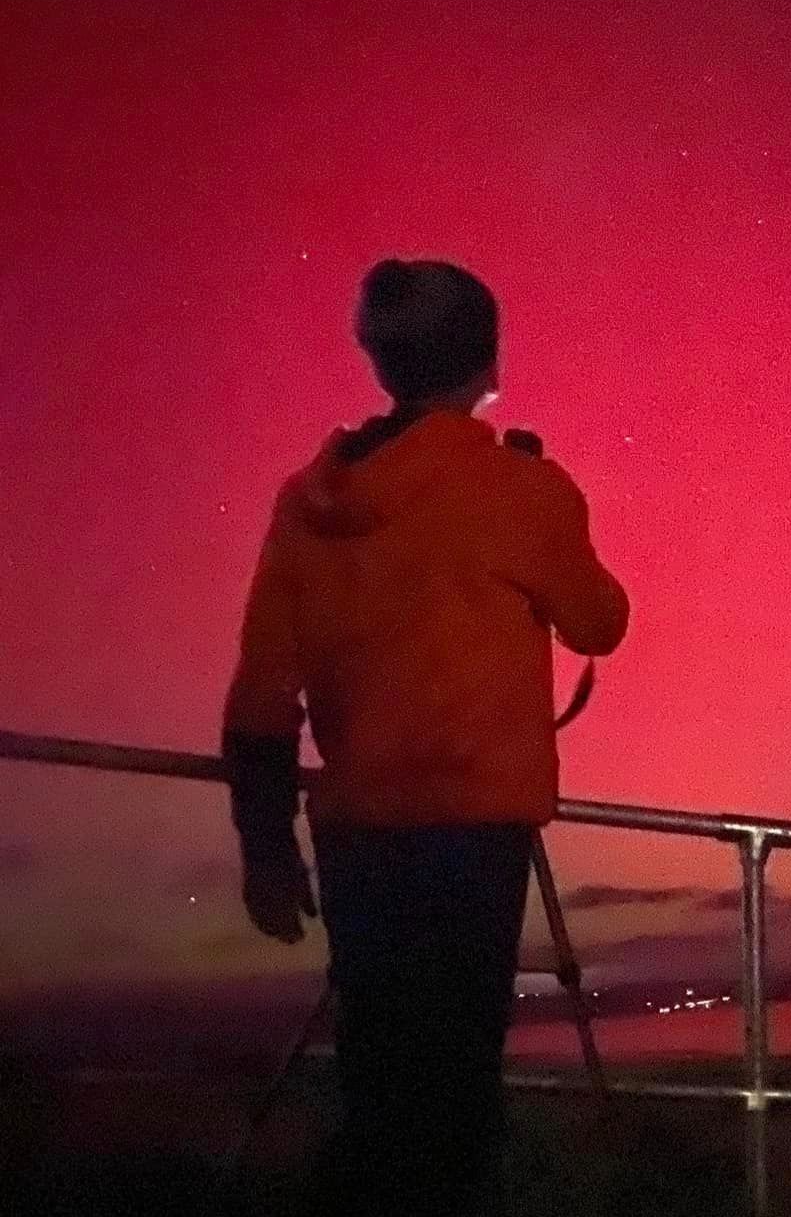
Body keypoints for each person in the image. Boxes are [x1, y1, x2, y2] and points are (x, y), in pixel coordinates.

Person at [221, 257, 629, 1215]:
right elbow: (601, 622)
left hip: (357, 837)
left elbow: (260, 696)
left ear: (378, 359)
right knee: (453, 1097)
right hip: (471, 834)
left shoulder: (305, 502)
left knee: (379, 1084)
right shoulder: (518, 490)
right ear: (486, 360)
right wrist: (554, 502)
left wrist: (266, 849)